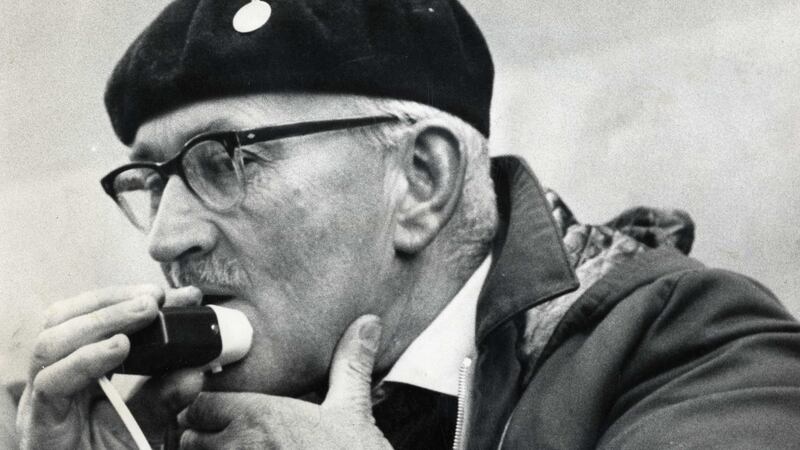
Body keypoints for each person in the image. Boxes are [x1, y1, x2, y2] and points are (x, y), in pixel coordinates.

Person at [15, 0, 800, 448]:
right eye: (152, 182)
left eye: (225, 160)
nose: (164, 238)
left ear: (421, 180)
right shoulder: (181, 424)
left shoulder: (696, 351)